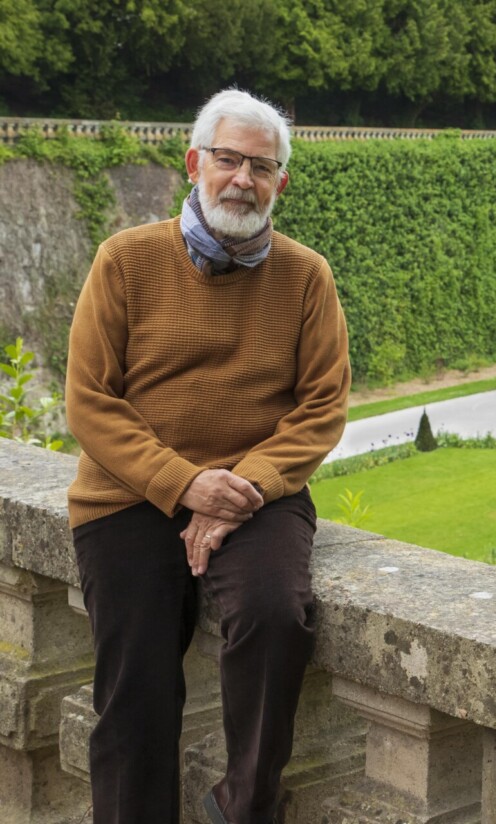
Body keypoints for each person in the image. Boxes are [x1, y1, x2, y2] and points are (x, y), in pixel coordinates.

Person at [65, 88, 350, 824]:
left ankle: (244, 806)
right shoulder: (124, 261)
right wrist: (186, 484)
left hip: (257, 495)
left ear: (280, 182)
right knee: (136, 689)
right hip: (129, 492)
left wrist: (239, 488)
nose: (242, 180)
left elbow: (322, 408)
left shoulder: (307, 276)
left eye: (262, 166)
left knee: (275, 616)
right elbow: (91, 401)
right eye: (228, 159)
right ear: (194, 163)